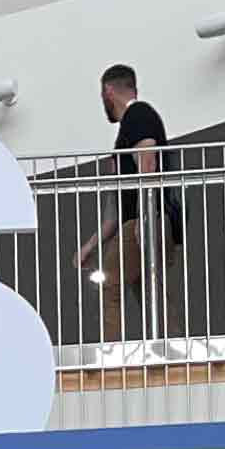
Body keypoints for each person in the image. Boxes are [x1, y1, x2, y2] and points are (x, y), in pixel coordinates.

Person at [74, 60, 179, 338]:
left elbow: (147, 160)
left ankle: (112, 356)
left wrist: (145, 219)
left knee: (111, 286)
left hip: (144, 221)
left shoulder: (139, 114)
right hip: (142, 220)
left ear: (108, 91)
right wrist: (90, 245)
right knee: (149, 291)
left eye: (101, 97)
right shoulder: (130, 127)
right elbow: (116, 208)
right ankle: (171, 348)